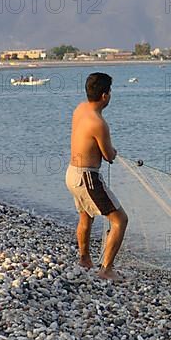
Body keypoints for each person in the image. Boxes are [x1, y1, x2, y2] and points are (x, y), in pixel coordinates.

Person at [65, 72, 128, 281]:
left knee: (86, 216)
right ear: (104, 96)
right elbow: (108, 156)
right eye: (109, 91)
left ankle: (84, 259)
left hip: (72, 174)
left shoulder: (80, 109)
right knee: (120, 220)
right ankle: (106, 270)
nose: (110, 95)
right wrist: (114, 152)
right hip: (87, 178)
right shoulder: (99, 123)